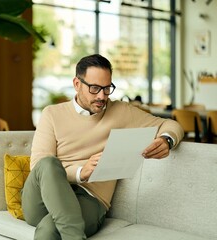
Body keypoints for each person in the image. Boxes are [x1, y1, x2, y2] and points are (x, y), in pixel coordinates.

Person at [21, 54, 184, 240]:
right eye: (95, 88)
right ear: (77, 84)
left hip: (89, 199)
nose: (102, 96)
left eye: (107, 89)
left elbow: (171, 125)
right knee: (48, 163)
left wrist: (166, 140)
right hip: (43, 199)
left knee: (49, 230)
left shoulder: (121, 112)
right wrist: (80, 172)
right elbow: (39, 167)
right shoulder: (52, 114)